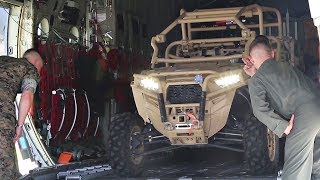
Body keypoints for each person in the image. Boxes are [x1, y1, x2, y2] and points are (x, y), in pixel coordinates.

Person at [243, 35, 320, 180]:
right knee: (316, 156)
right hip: (317, 103)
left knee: (295, 165)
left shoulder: (257, 80)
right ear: (272, 54)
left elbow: (260, 110)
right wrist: (255, 73)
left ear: (251, 60)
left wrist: (283, 127)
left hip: (305, 115)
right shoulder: (286, 66)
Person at [0, 49, 43, 179]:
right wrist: (19, 126)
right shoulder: (30, 69)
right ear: (36, 62)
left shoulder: (3, 60)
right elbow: (27, 95)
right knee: (4, 164)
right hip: (2, 113)